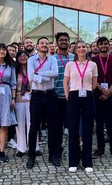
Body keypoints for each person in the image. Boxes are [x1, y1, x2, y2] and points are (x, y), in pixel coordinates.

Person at [63, 41, 98, 173]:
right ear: (75, 50)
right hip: (73, 95)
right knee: (73, 130)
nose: (81, 49)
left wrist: (86, 89)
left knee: (88, 129)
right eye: (79, 47)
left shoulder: (93, 64)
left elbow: (94, 83)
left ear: (87, 48)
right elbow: (65, 82)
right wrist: (68, 96)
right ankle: (73, 161)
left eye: (84, 46)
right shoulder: (70, 64)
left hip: (88, 96)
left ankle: (87, 161)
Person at [26, 37, 59, 169]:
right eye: (42, 43)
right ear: (37, 46)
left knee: (53, 126)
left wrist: (39, 73)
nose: (44, 45)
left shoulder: (53, 59)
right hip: (37, 95)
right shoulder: (31, 60)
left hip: (50, 95)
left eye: (46, 43)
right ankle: (31, 156)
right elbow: (31, 77)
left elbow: (55, 73)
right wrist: (45, 76)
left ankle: (53, 155)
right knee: (34, 126)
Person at [91, 36, 112, 160]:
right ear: (97, 46)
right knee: (99, 124)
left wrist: (109, 91)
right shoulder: (93, 60)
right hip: (97, 95)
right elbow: (93, 78)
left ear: (109, 46)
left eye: (106, 43)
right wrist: (102, 89)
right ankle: (100, 149)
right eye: (101, 44)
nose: (104, 46)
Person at [14, 50, 41, 157]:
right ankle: (21, 147)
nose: (23, 57)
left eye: (25, 55)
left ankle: (35, 147)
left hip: (31, 99)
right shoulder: (15, 70)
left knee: (33, 123)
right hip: (19, 99)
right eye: (20, 56)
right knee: (20, 124)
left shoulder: (32, 68)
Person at [53, 32, 74, 161]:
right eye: (61, 40)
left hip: (73, 97)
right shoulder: (52, 59)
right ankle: (56, 151)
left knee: (73, 125)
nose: (64, 42)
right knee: (56, 126)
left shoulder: (75, 58)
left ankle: (74, 151)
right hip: (56, 97)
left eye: (66, 40)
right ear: (57, 43)